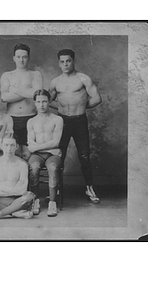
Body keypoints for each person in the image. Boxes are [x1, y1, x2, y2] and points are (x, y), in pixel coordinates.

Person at [49, 49, 102, 203]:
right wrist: (61, 109)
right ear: (59, 63)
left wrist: (81, 106)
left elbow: (97, 98)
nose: (65, 64)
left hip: (80, 121)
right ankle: (57, 188)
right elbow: (47, 100)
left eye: (68, 61)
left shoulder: (83, 78)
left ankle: (89, 187)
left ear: (73, 61)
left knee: (84, 156)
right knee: (60, 155)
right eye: (62, 61)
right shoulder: (55, 81)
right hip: (62, 121)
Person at [0, 43, 43, 161]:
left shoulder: (35, 74)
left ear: (28, 58)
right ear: (14, 58)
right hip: (11, 119)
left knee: (28, 154)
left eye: (24, 57)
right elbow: (3, 97)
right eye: (18, 57)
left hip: (31, 117)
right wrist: (28, 92)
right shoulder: (7, 75)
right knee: (14, 153)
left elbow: (37, 95)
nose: (21, 60)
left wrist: (14, 90)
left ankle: (29, 180)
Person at [27, 89, 63, 217]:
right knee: (34, 167)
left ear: (49, 102)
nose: (41, 105)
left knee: (53, 168)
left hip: (52, 157)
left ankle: (52, 202)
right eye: (38, 102)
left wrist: (39, 147)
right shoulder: (31, 121)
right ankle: (35, 200)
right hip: (39, 155)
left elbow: (56, 142)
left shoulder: (57, 119)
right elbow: (31, 147)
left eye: (44, 101)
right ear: (35, 103)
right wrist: (49, 148)